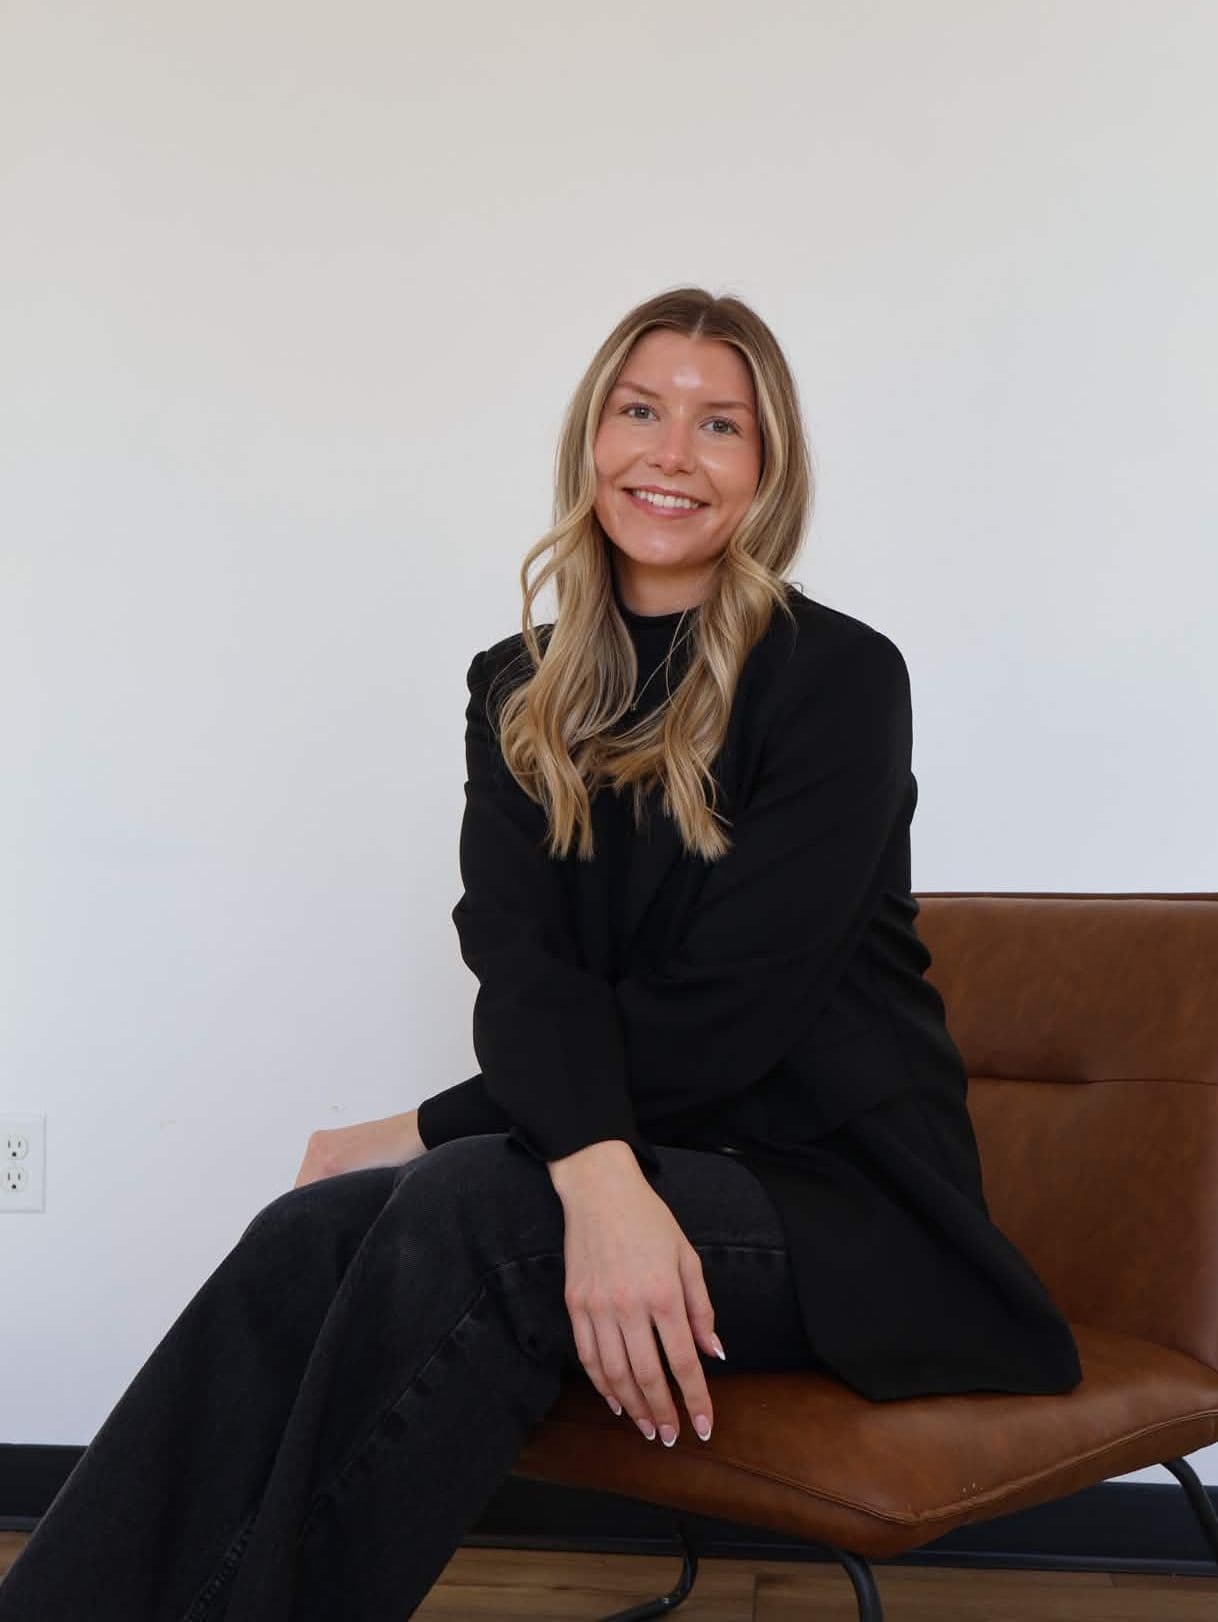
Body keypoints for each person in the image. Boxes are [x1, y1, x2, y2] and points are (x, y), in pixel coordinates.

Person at [0, 287, 1082, 1621]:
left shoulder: (838, 678)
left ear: (766, 470)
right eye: (639, 410)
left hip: (838, 1205)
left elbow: (730, 1012)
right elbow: (522, 976)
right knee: (308, 1232)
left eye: (718, 424)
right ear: (590, 439)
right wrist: (582, 1165)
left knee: (472, 1211)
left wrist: (478, 1140)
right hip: (644, 1148)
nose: (669, 453)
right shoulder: (516, 685)